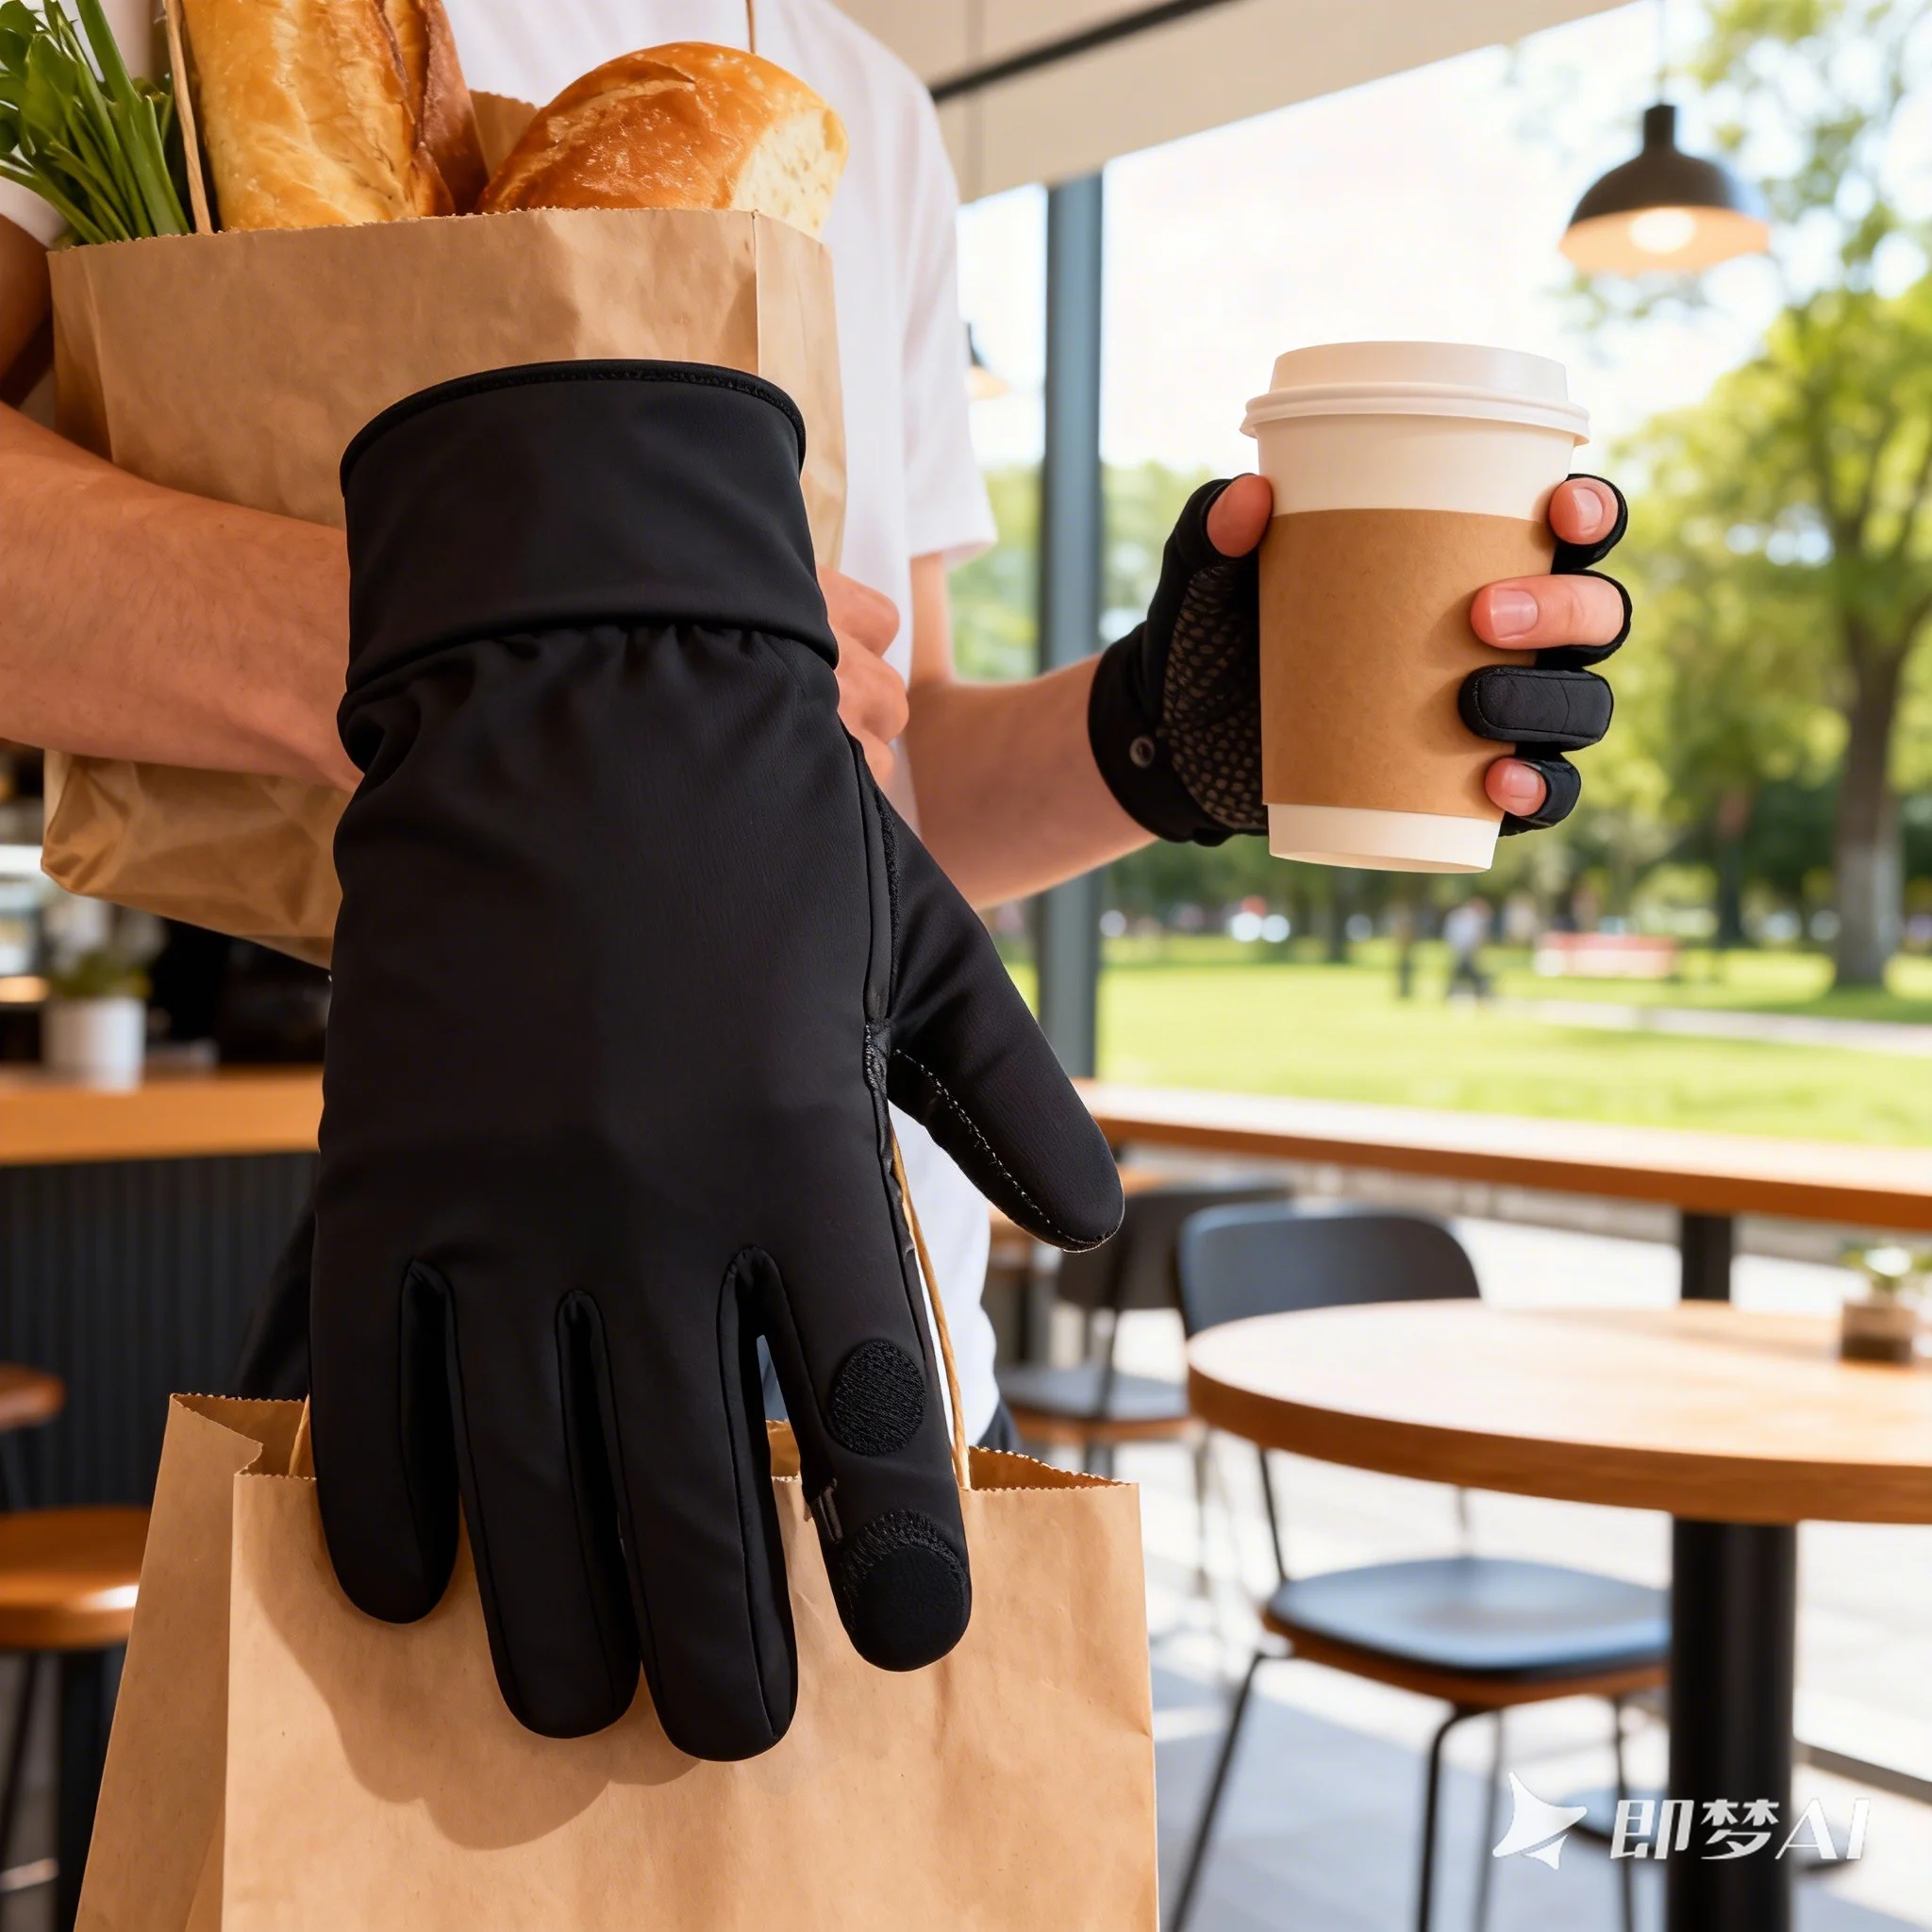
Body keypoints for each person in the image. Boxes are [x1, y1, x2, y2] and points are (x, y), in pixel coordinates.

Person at [0, 0, 1627, 1593]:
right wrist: (491, 647)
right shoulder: (145, 23)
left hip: (893, 1332)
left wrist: (1155, 736)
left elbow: (879, 784)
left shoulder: (861, 105)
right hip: (487, 1322)